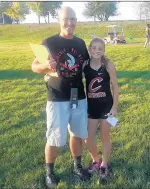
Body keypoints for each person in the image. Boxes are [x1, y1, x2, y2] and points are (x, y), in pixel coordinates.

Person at [31, 7, 90, 188]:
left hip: (77, 95)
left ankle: (77, 166)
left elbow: (88, 65)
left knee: (77, 134)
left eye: (73, 19)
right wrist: (45, 67)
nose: (70, 23)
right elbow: (34, 66)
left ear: (76, 20)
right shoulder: (49, 42)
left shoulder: (80, 43)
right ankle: (50, 172)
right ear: (59, 20)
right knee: (55, 136)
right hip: (57, 97)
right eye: (66, 19)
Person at [83, 38, 119, 182]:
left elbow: (115, 87)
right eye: (94, 48)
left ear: (104, 50)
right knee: (88, 138)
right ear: (90, 49)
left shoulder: (108, 64)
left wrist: (114, 107)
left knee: (105, 136)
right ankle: (96, 160)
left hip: (106, 107)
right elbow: (73, 79)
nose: (97, 51)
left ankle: (104, 163)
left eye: (100, 48)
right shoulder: (85, 65)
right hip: (92, 107)